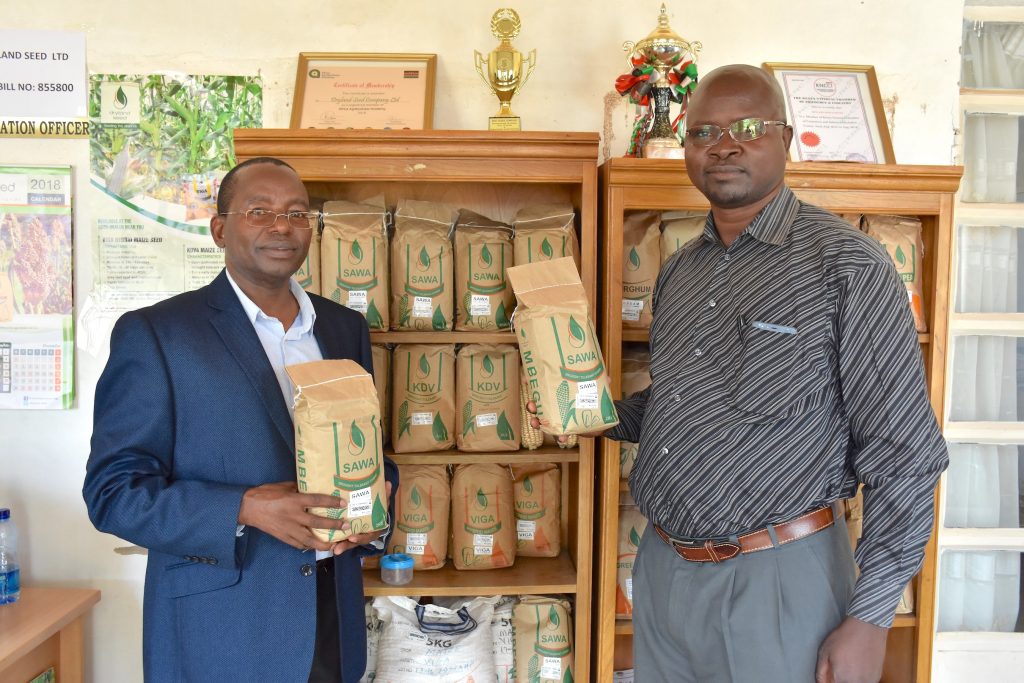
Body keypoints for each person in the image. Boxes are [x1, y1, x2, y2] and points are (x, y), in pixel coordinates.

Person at [536, 64, 948, 682]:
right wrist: (592, 414)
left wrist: (871, 616)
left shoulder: (847, 267)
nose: (724, 144)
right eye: (703, 132)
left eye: (748, 127)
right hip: (665, 571)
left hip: (778, 578)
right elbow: (682, 402)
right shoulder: (681, 272)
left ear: (786, 138)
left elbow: (906, 454)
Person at [84, 157, 397, 683]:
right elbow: (113, 494)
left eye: (298, 214)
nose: (282, 226)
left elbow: (368, 450)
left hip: (331, 620)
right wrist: (245, 508)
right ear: (219, 229)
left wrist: (377, 501)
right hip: (221, 633)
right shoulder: (158, 334)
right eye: (260, 210)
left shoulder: (344, 328)